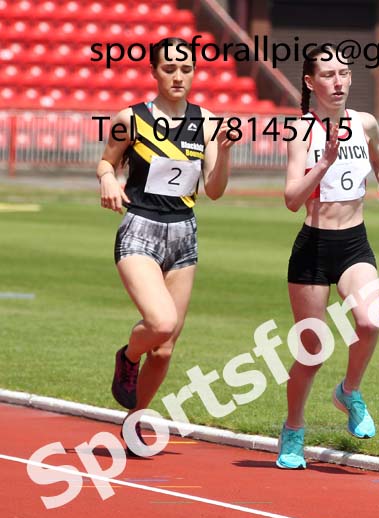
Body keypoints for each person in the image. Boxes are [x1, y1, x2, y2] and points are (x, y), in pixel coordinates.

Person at [96, 36, 235, 454]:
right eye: (169, 68)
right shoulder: (131, 118)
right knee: (160, 323)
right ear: (154, 72)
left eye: (186, 69)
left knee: (165, 348)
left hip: (184, 235)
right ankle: (127, 357)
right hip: (140, 228)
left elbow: (215, 190)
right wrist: (107, 179)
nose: (178, 76)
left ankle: (134, 421)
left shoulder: (207, 122)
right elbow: (106, 160)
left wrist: (224, 151)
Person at [276, 46, 379, 469]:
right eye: (328, 74)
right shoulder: (300, 131)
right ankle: (293, 430)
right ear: (310, 82)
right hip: (313, 249)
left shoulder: (365, 123)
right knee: (311, 351)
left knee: (370, 321)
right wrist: (324, 163)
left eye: (344, 73)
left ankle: (349, 391)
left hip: (353, 244)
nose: (338, 81)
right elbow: (291, 199)